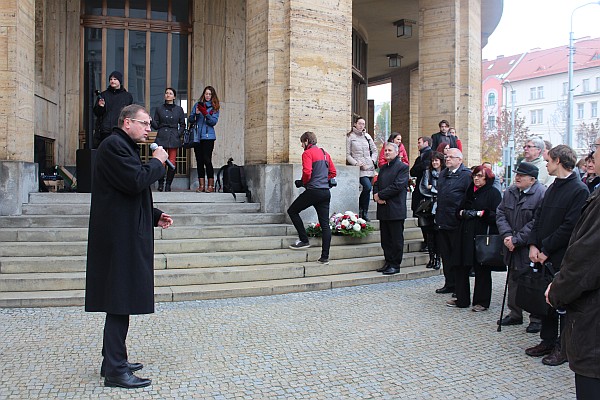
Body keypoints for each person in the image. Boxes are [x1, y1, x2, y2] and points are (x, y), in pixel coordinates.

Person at [85, 104, 174, 389]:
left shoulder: (122, 146)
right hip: (118, 239)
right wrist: (159, 161)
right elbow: (136, 181)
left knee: (119, 301)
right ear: (127, 122)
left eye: (149, 124)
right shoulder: (114, 146)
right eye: (144, 123)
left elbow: (128, 192)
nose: (149, 128)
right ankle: (115, 370)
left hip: (122, 233)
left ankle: (112, 359)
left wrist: (154, 214)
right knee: (119, 302)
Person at [545, 136, 600, 399]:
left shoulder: (583, 191)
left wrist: (557, 290)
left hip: (593, 319)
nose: (592, 156)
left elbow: (586, 257)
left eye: (596, 149)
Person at [526, 145, 589, 367]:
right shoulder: (552, 187)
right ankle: (547, 340)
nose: (546, 164)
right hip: (543, 253)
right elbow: (539, 217)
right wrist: (533, 245)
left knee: (561, 304)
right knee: (546, 302)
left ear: (559, 161)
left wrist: (545, 249)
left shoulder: (579, 190)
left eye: (549, 160)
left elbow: (569, 226)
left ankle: (562, 348)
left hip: (560, 255)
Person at [496, 162, 546, 332]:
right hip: (510, 244)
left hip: (528, 246)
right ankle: (515, 313)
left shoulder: (541, 194)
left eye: (521, 176)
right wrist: (507, 236)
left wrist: (517, 240)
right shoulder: (510, 192)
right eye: (517, 174)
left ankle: (536, 318)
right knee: (513, 278)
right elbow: (501, 213)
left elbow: (536, 222)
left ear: (532, 179)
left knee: (532, 281)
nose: (517, 177)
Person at [446, 165, 502, 311]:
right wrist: (463, 213)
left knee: (481, 269)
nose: (476, 179)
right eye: (475, 176)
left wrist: (480, 214)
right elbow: (458, 211)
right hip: (465, 233)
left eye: (480, 176)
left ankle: (481, 301)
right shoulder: (470, 191)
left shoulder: (493, 193)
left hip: (481, 235)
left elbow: (496, 215)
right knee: (461, 266)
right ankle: (462, 298)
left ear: (487, 178)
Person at [288, 131, 337, 264]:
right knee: (325, 224)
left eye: (302, 143)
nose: (301, 146)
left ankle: (304, 240)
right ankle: (324, 257)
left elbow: (307, 172)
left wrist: (303, 182)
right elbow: (333, 172)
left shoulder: (307, 153)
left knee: (292, 211)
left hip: (313, 191)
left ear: (307, 141)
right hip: (325, 192)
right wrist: (322, 180)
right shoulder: (325, 153)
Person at [434, 148, 472, 294]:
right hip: (443, 220)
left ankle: (459, 286)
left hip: (457, 222)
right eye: (446, 156)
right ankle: (449, 283)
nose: (447, 159)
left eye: (451, 157)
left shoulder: (466, 175)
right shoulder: (443, 174)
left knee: (457, 257)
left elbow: (468, 198)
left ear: (459, 160)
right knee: (446, 255)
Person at [373, 142, 409, 275]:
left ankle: (395, 264)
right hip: (383, 209)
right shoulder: (383, 168)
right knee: (385, 239)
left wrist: (381, 195)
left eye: (389, 150)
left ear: (397, 152)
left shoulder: (402, 168)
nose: (387, 152)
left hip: (395, 209)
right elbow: (376, 183)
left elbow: (397, 186)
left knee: (396, 240)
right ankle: (388, 261)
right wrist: (376, 196)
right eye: (385, 150)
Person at [151, 87, 185, 192]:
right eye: (166, 93)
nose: (168, 95)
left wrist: (178, 133)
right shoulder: (159, 108)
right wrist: (150, 120)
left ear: (174, 96)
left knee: (172, 162)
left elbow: (183, 124)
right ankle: (160, 183)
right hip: (161, 136)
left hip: (173, 137)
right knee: (161, 161)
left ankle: (168, 184)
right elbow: (156, 125)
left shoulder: (179, 109)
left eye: (170, 93)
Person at [189, 86, 220, 193]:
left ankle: (210, 185)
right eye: (206, 94)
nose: (207, 96)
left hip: (208, 137)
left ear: (212, 96)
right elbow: (190, 119)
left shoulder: (215, 107)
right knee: (199, 161)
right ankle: (201, 185)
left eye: (210, 94)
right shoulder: (197, 105)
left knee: (207, 159)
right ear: (203, 94)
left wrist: (206, 113)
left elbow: (213, 122)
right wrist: (196, 114)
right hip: (197, 136)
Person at [346, 117, 378, 221]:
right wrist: (356, 163)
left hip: (370, 167)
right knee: (367, 187)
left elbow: (375, 150)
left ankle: (365, 212)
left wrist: (372, 161)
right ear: (355, 124)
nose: (361, 126)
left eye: (363, 124)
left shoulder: (367, 137)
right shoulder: (350, 137)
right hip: (359, 169)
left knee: (368, 190)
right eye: (360, 123)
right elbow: (347, 155)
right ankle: (361, 210)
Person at [93, 71, 133, 148]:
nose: (112, 81)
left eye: (115, 79)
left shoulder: (127, 96)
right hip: (105, 130)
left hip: (120, 130)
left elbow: (129, 113)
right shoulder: (103, 95)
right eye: (111, 79)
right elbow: (97, 113)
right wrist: (100, 106)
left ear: (119, 81)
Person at [419, 152, 445, 270]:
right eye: (433, 160)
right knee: (429, 234)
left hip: (440, 207)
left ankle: (438, 258)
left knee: (438, 235)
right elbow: (423, 188)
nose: (434, 163)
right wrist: (435, 190)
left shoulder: (445, 174)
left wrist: (433, 188)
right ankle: (431, 258)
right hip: (429, 206)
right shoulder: (427, 172)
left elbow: (444, 190)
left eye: (437, 160)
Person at [410, 136, 433, 248]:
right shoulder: (420, 158)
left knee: (428, 218)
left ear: (426, 143)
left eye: (419, 142)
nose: (418, 144)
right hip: (419, 191)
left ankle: (430, 242)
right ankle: (426, 240)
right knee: (421, 217)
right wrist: (423, 166)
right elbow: (413, 171)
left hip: (429, 192)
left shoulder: (432, 155)